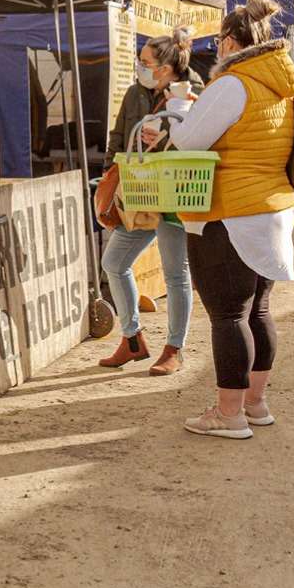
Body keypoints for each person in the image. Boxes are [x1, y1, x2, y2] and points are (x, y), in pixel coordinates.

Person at [169, 0, 294, 439]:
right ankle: (255, 404)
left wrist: (177, 112)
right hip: (273, 209)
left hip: (230, 213)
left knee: (228, 316)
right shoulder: (278, 85)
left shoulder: (232, 84)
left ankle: (229, 414)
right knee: (257, 309)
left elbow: (188, 142)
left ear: (228, 42)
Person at [98, 29, 196, 375]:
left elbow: (201, 142)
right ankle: (133, 338)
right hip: (138, 191)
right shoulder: (134, 93)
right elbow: (118, 132)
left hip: (175, 192)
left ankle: (175, 348)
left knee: (175, 274)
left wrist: (167, 134)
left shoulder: (194, 95)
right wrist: (111, 170)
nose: (140, 67)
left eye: (146, 62)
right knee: (114, 262)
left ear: (167, 68)